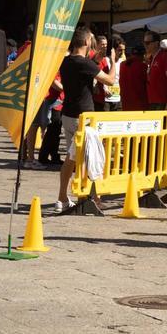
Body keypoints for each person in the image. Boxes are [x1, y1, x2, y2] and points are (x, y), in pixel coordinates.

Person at [56, 28, 115, 211]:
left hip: (68, 114)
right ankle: (91, 198)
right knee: (91, 156)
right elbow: (110, 80)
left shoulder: (66, 61)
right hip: (83, 117)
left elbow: (84, 68)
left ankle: (63, 198)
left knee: (72, 157)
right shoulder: (84, 63)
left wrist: (94, 60)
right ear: (87, 42)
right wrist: (113, 61)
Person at [38, 72, 64, 166]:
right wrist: (67, 88)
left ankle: (54, 156)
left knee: (55, 131)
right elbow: (53, 82)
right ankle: (43, 156)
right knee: (52, 130)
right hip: (54, 101)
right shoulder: (56, 66)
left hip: (59, 101)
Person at [144, 31, 167, 111]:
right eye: (144, 42)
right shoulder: (151, 58)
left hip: (162, 102)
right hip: (151, 101)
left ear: (156, 43)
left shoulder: (164, 57)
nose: (145, 45)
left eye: (148, 43)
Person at [119, 46, 148, 111]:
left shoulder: (122, 65)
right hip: (140, 103)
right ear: (143, 55)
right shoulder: (143, 66)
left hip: (126, 103)